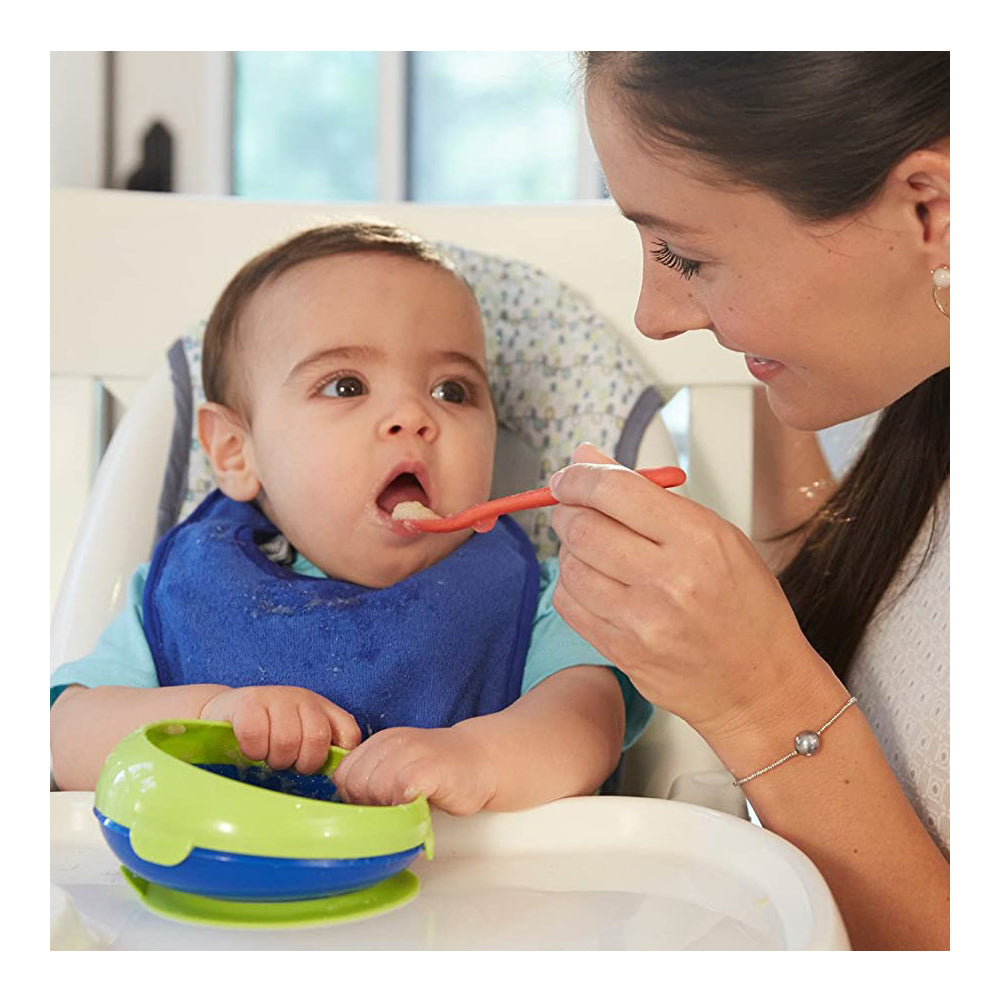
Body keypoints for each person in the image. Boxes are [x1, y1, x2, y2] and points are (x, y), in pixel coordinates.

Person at [545, 52, 949, 950]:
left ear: (934, 211)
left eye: (685, 254)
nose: (653, 315)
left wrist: (759, 697)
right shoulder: (901, 369)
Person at [49, 222, 652, 813]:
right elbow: (66, 737)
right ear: (236, 451)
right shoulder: (188, 588)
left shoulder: (543, 596)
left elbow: (585, 724)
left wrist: (480, 758)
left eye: (453, 390)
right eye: (345, 386)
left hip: (472, 906)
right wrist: (208, 716)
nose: (412, 415)